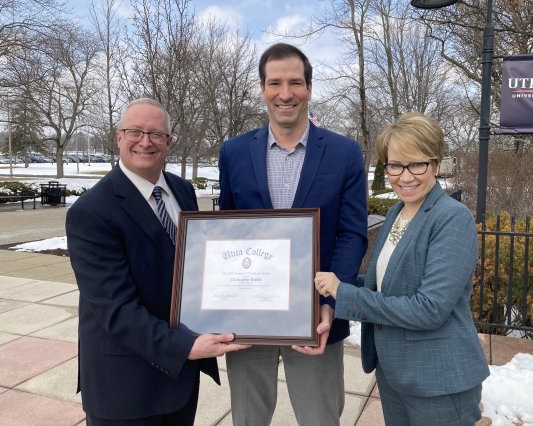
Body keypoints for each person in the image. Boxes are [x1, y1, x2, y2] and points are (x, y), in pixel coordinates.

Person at [66, 98, 249, 425]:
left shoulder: (182, 190)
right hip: (126, 386)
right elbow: (115, 309)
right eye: (134, 131)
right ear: (118, 137)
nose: (145, 141)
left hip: (179, 379)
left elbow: (193, 267)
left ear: (169, 142)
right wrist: (186, 347)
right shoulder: (91, 212)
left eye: (155, 133)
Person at [218, 43, 368, 425]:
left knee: (320, 417)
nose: (286, 94)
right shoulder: (233, 152)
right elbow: (226, 233)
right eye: (275, 83)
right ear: (262, 88)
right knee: (248, 418)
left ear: (309, 87)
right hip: (250, 316)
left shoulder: (344, 153)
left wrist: (333, 302)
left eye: (295, 83)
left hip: (316, 315)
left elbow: (351, 234)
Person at [315, 112, 490, 426]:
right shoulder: (398, 212)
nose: (405, 176)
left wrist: (344, 293)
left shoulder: (452, 218)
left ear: (435, 164)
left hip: (438, 379)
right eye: (395, 165)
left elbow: (429, 308)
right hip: (395, 371)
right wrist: (333, 284)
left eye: (417, 164)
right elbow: (388, 283)